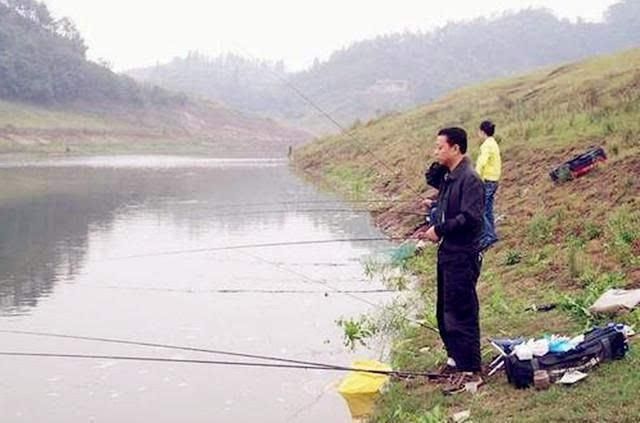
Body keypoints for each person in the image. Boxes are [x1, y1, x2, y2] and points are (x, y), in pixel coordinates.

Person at [422, 127, 485, 395]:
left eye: (440, 147)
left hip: (462, 254)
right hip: (447, 254)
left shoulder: (470, 179)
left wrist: (439, 230)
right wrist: (432, 206)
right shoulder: (449, 177)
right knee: (444, 311)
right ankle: (454, 361)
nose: (436, 151)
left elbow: (470, 218)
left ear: (456, 148)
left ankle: (471, 371)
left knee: (461, 312)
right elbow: (432, 180)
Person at [476, 120, 502, 251]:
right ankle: (491, 233)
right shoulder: (494, 143)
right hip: (494, 179)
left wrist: (475, 177)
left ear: (482, 131)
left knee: (480, 209)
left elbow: (482, 162)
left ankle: (488, 236)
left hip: (487, 180)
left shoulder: (486, 145)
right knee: (488, 209)